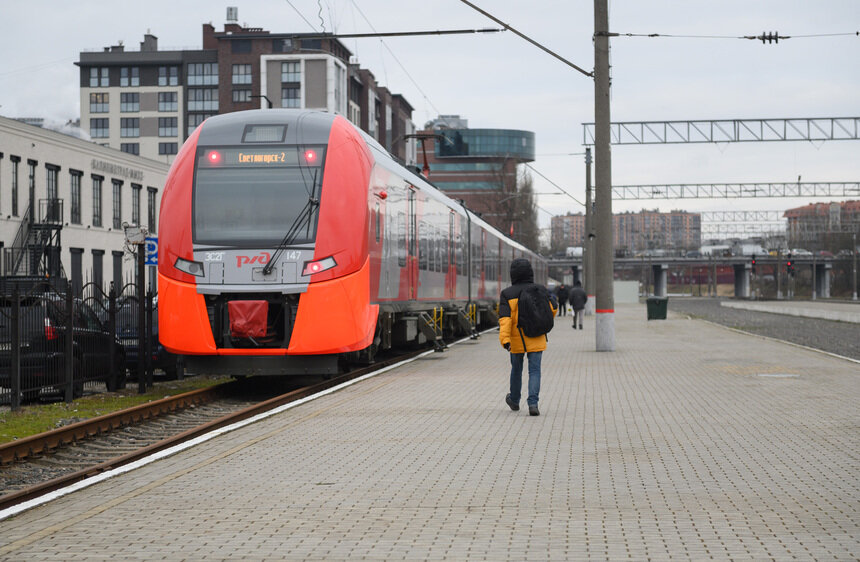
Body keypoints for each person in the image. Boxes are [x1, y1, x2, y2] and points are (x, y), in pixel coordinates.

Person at [499, 258, 558, 416]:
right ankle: (533, 404)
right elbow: (552, 309)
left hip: (516, 339)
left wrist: (505, 340)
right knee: (535, 371)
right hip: (536, 336)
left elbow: (505, 320)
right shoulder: (540, 290)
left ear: (513, 274)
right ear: (530, 273)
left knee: (516, 370)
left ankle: (514, 400)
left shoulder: (507, 294)